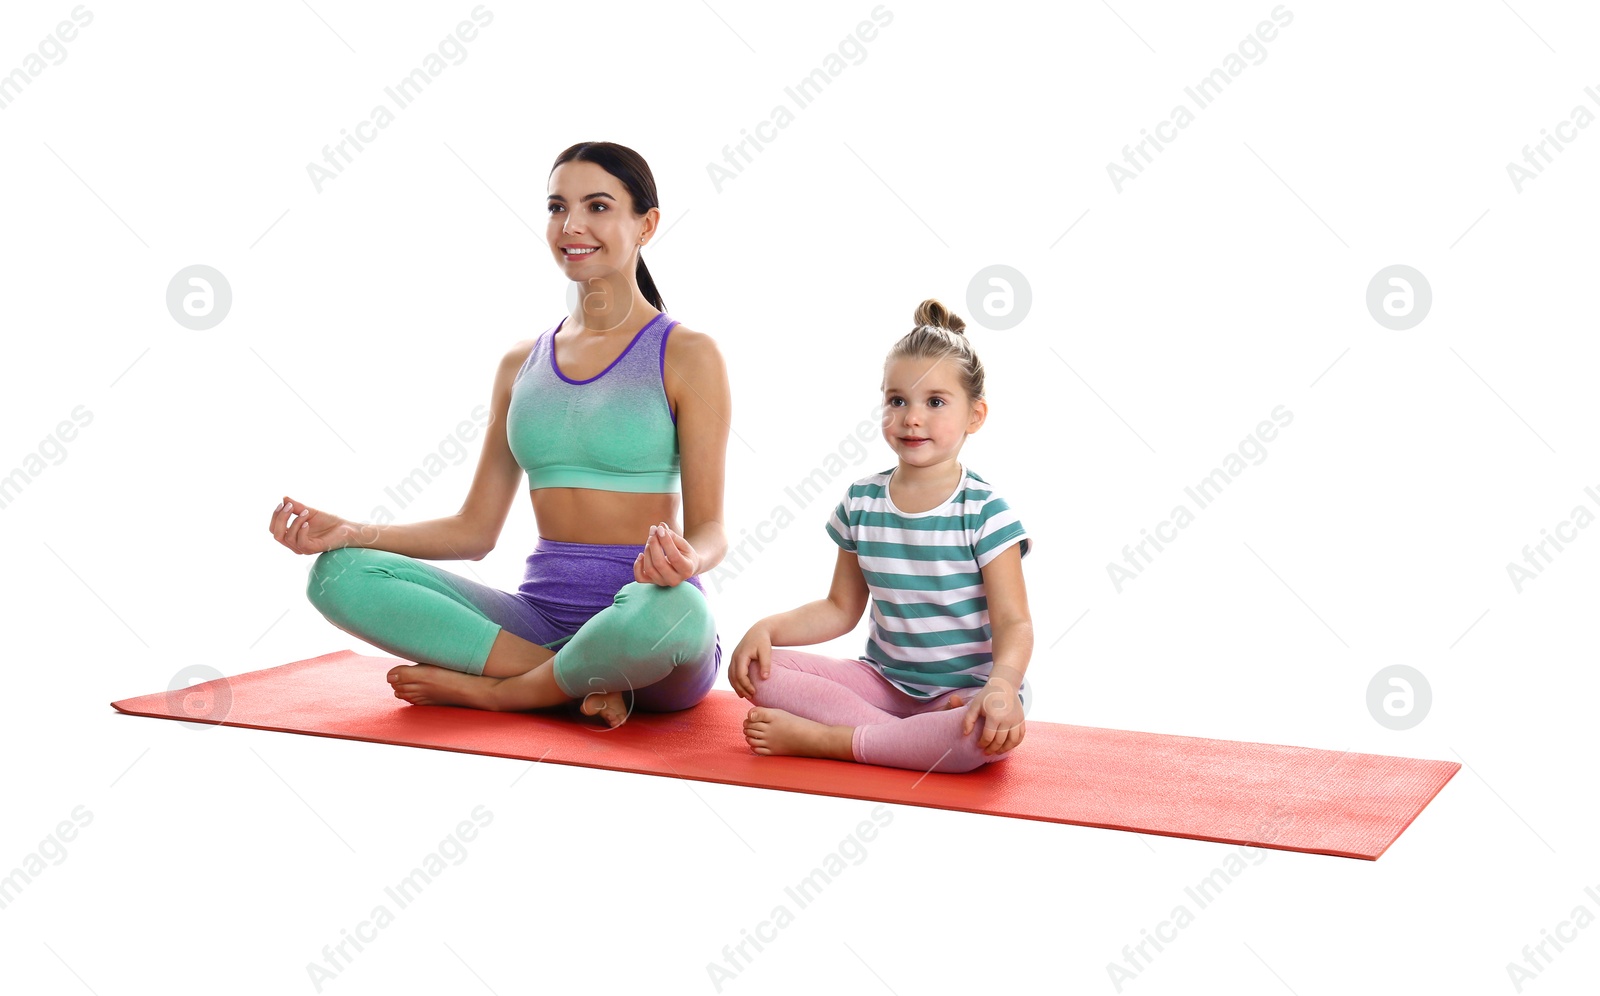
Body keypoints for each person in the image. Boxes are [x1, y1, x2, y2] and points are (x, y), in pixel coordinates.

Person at [268, 141, 731, 728]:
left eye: (597, 206)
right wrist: (352, 531)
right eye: (557, 207)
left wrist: (689, 560)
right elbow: (475, 531)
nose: (572, 225)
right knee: (339, 574)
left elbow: (712, 528)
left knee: (679, 613)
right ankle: (569, 679)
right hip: (537, 616)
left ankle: (504, 691)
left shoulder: (687, 353)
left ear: (647, 224)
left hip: (646, 621)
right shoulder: (521, 364)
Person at [728, 299, 1033, 772]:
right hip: (881, 685)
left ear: (975, 415)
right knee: (757, 671)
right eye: (897, 400)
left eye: (935, 402)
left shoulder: (986, 512)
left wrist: (1000, 687)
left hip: (964, 693)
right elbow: (839, 609)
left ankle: (831, 740)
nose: (912, 417)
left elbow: (1014, 623)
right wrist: (766, 628)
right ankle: (904, 741)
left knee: (980, 738)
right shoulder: (862, 500)